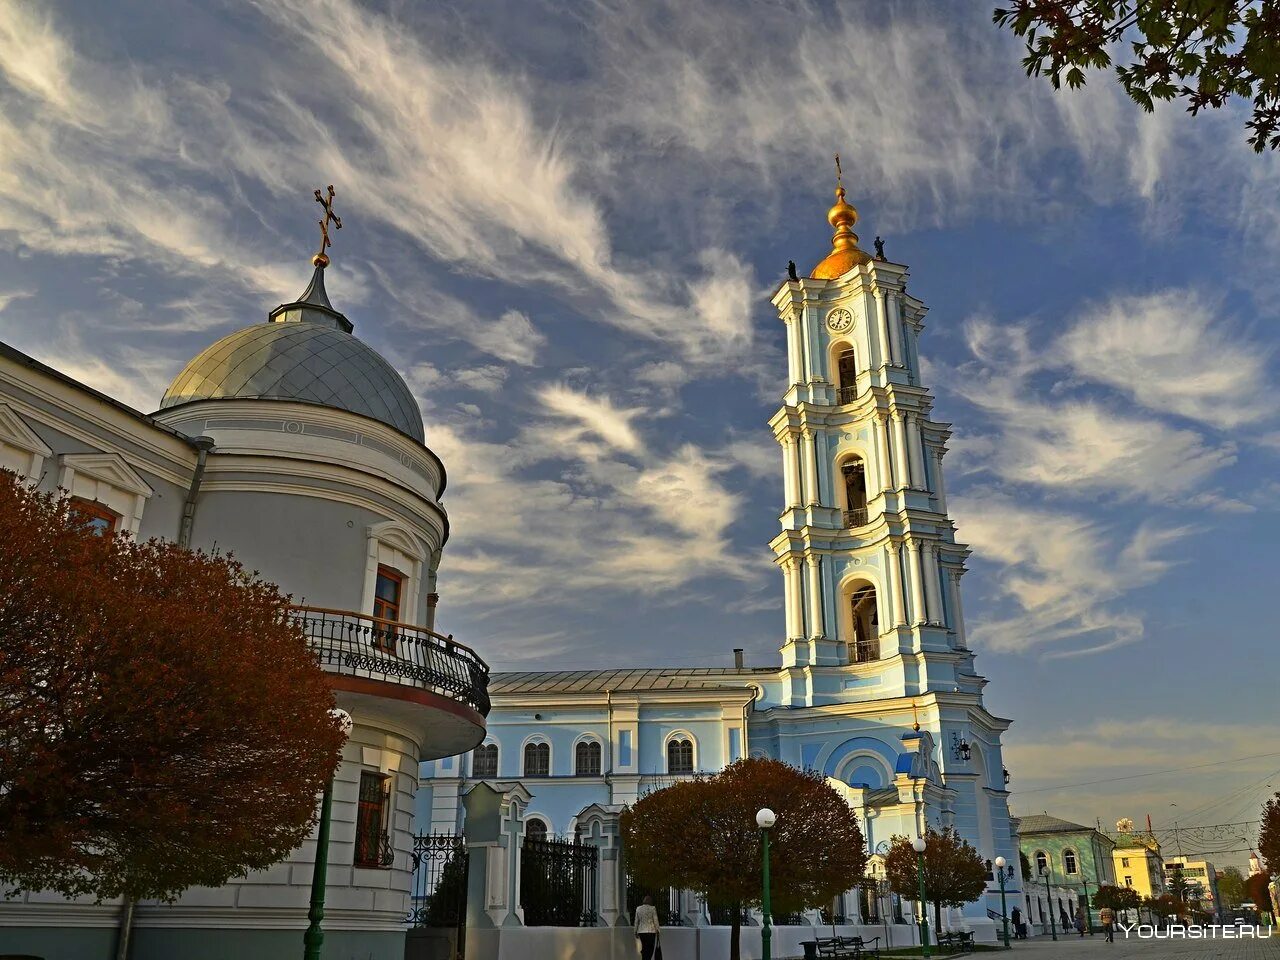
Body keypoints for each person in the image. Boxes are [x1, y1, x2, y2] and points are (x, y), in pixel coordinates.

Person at [634, 894, 661, 960]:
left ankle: (644, 958)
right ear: (650, 901)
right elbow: (655, 920)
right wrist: (658, 930)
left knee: (644, 947)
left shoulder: (638, 909)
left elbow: (636, 921)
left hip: (641, 932)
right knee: (650, 948)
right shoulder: (652, 908)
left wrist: (635, 931)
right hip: (651, 932)